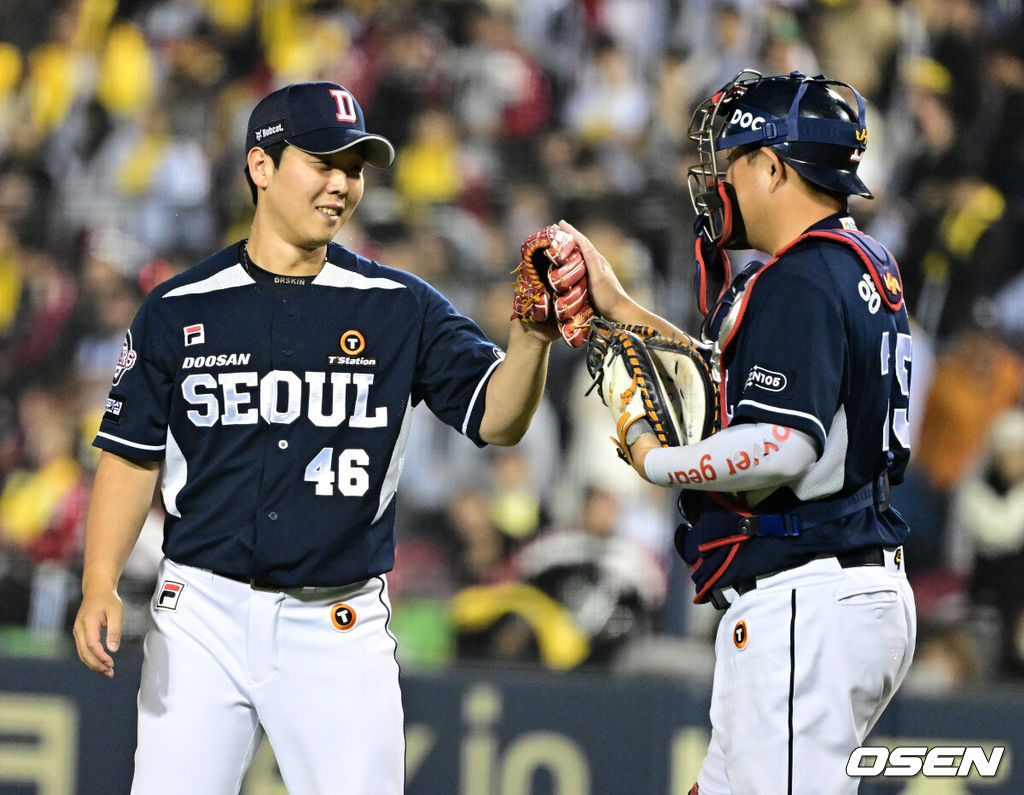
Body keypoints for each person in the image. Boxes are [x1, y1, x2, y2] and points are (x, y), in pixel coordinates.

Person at [71, 81, 560, 794]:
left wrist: (531, 340)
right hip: (201, 611)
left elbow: (498, 417)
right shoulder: (178, 309)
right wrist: (97, 581)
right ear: (261, 166)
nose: (342, 184)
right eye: (323, 162)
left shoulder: (400, 307)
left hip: (336, 620)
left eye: (355, 168)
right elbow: (129, 453)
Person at [561, 70, 917, 794]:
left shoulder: (801, 278)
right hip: (839, 582)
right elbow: (728, 381)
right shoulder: (853, 260)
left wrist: (659, 460)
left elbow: (786, 443)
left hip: (805, 597)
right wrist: (621, 306)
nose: (718, 180)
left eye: (732, 160)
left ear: (773, 166)